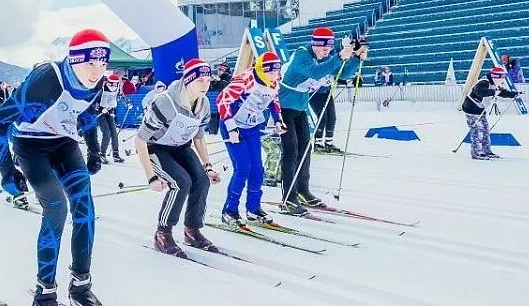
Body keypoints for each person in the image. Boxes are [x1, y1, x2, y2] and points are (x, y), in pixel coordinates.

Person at [0, 29, 109, 306]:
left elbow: (86, 115)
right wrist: (7, 170)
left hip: (64, 144)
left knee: (85, 209)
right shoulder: (47, 79)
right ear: (74, 60)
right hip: (30, 145)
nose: (97, 71)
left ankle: (81, 287)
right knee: (56, 209)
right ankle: (45, 294)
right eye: (90, 63)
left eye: (103, 63)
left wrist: (94, 149)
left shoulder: (97, 81)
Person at [135, 59, 221, 257]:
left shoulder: (204, 104)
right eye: (200, 80)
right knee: (181, 182)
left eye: (208, 80)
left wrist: (207, 166)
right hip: (156, 148)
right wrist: (151, 177)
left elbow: (199, 136)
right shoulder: (166, 102)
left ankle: (192, 230)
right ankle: (162, 232)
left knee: (201, 180)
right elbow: (140, 141)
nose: (206, 85)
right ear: (188, 80)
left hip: (181, 146)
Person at [278, 27, 361, 214]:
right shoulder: (302, 55)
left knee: (306, 150)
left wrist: (356, 57)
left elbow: (343, 74)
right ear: (314, 44)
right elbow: (316, 73)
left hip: (300, 107)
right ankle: (288, 197)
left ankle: (303, 190)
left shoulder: (325, 57)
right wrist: (339, 56)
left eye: (329, 48)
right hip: (282, 108)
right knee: (291, 151)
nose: (326, 51)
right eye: (323, 48)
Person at [216, 51, 283, 225]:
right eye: (271, 72)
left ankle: (253, 208)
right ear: (261, 70)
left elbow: (274, 100)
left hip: (252, 126)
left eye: (277, 71)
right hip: (233, 126)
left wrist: (278, 121)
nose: (275, 76)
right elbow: (222, 100)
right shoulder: (245, 79)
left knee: (257, 170)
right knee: (243, 168)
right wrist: (231, 127)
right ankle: (229, 210)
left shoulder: (274, 82)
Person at [460, 66, 519, 159]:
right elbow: (479, 92)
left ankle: (486, 151)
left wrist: (514, 94)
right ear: (496, 76)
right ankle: (476, 153)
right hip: (471, 108)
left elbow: (502, 92)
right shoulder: (484, 82)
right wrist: (493, 91)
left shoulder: (494, 83)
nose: (503, 80)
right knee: (477, 131)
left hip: (480, 109)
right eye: (502, 77)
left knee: (485, 130)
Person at [97, 73, 123, 164]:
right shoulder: (101, 89)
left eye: (115, 84)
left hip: (109, 112)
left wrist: (128, 102)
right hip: (100, 113)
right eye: (111, 83)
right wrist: (99, 108)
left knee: (114, 133)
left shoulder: (116, 89)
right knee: (107, 133)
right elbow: (94, 100)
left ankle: (116, 154)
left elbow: (119, 97)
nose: (113, 86)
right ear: (107, 82)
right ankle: (102, 154)